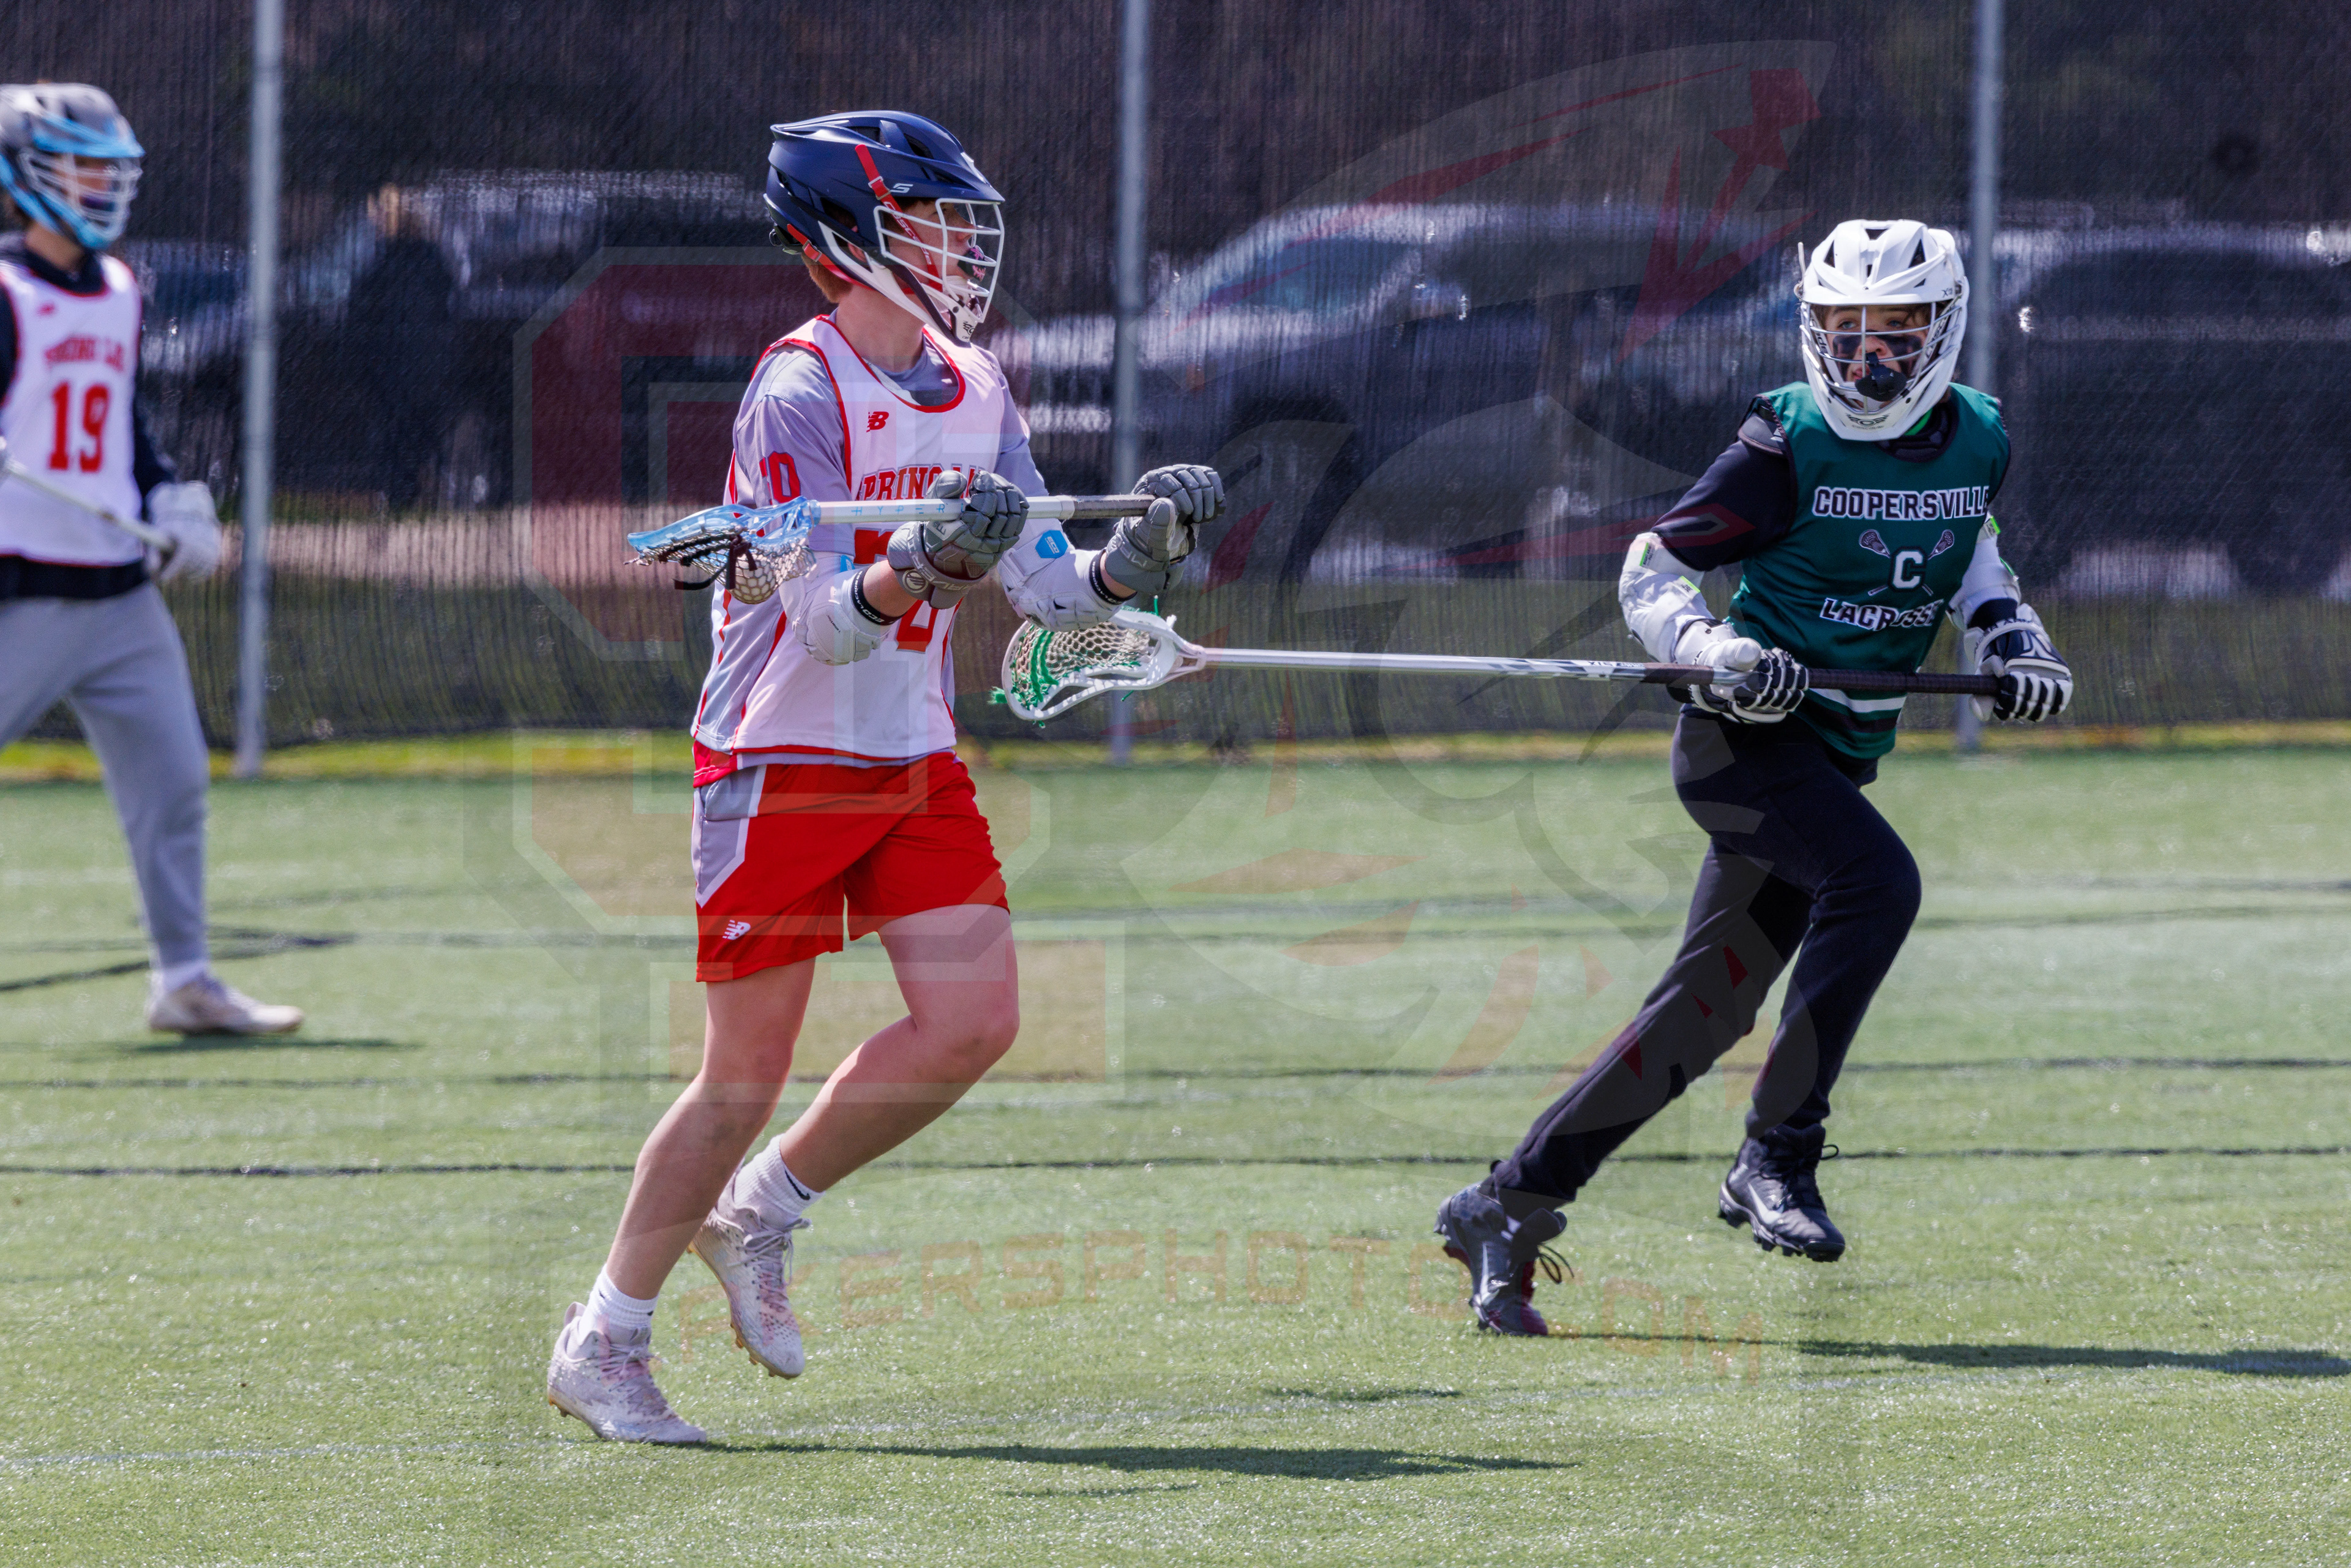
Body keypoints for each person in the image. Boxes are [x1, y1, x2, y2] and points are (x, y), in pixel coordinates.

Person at [546, 111, 1224, 1442]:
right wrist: (924, 563)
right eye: (932, 222)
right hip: (780, 757)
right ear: (851, 236)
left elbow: (1051, 596)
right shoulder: (796, 390)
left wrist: (1137, 560)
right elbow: (814, 619)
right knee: (741, 1076)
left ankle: (761, 1210)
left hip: (910, 753)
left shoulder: (979, 386)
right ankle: (604, 1339)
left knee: (973, 1022)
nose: (961, 249)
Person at [1435, 220, 2073, 1334]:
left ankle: (1506, 1203)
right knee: (1877, 882)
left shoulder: (1978, 436)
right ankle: (1778, 1153)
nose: (1869, 358)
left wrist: (2013, 640)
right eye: (1846, 332)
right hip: (1742, 744)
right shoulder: (1784, 446)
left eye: (1896, 332)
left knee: (1705, 1009)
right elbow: (1654, 566)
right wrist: (1716, 649)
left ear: (1944, 327)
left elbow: (1973, 553)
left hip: (1832, 754)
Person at [0, 83, 303, 1038]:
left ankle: (185, 980)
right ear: (27, 175)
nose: (98, 186)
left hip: (119, 598)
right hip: (23, 591)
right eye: (78, 167)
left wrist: (169, 498)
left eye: (107, 169)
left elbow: (123, 424)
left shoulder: (121, 288)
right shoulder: (5, 289)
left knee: (172, 780)